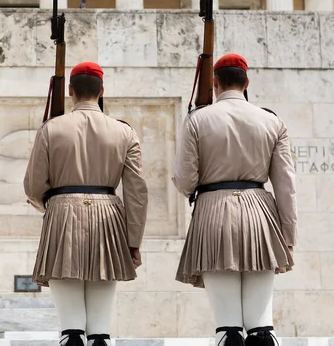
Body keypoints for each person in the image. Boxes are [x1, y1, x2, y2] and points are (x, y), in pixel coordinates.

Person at [172, 53, 297, 346]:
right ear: (246, 82)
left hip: (213, 213)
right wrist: (288, 237)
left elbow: (186, 181)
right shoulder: (272, 121)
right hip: (261, 217)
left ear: (214, 83)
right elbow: (286, 186)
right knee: (262, 329)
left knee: (228, 331)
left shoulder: (197, 120)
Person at [24, 62, 148, 346]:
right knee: (100, 328)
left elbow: (33, 186)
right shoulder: (124, 132)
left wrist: (51, 205)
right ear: (102, 90)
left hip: (62, 209)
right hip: (108, 211)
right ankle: (99, 336)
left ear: (70, 91)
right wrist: (133, 240)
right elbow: (137, 192)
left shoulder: (50, 129)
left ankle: (72, 334)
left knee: (71, 329)